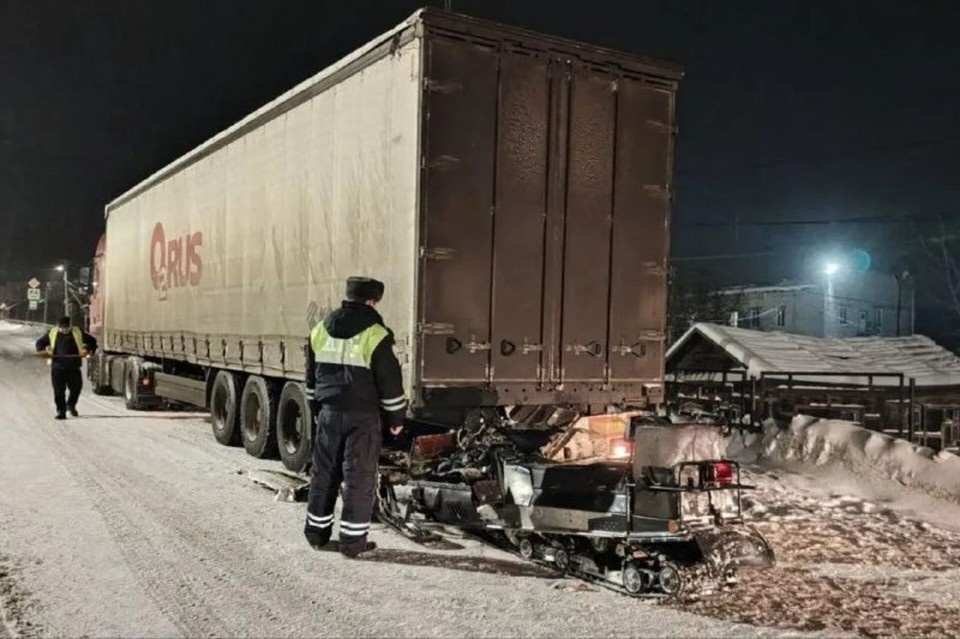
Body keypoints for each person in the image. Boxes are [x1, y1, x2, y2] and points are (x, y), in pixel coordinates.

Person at [303, 277, 405, 558]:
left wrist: (317, 410)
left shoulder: (320, 330)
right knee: (358, 479)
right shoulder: (377, 334)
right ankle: (352, 543)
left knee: (324, 474)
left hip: (328, 414)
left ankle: (316, 534)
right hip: (363, 417)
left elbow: (311, 380)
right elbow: (390, 382)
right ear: (372, 301)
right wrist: (396, 418)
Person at [35, 316, 98, 420]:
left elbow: (92, 341)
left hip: (74, 367)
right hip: (58, 367)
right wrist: (43, 350)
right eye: (62, 327)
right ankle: (61, 411)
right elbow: (40, 343)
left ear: (70, 326)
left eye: (66, 327)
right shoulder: (52, 332)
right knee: (59, 391)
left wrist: (86, 349)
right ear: (58, 326)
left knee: (76, 388)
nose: (64, 329)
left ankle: (71, 405)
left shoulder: (77, 332)